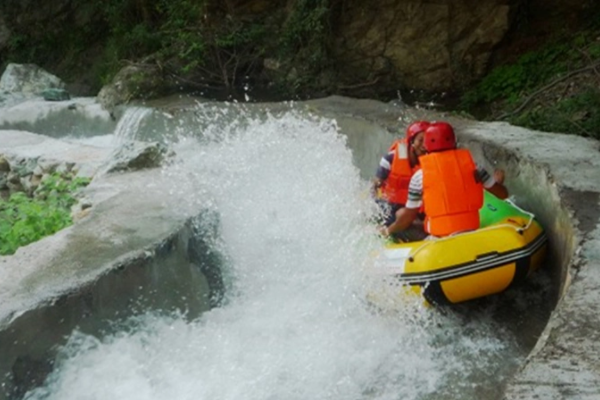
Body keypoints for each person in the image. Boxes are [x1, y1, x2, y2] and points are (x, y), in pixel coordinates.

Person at [381, 121, 509, 239]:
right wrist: (497, 183)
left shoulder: (420, 176)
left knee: (400, 219)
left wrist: (389, 230)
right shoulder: (474, 167)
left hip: (439, 237)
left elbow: (407, 218)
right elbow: (502, 194)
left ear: (427, 145)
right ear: (454, 142)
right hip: (471, 229)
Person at [372, 121, 429, 228]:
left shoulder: (430, 160)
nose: (424, 146)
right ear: (412, 141)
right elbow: (376, 184)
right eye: (420, 140)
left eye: (427, 141)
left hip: (411, 207)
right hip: (389, 205)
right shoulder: (391, 158)